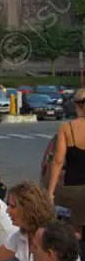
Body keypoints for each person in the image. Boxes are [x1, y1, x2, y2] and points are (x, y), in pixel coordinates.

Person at [47, 88, 85, 233]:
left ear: (76, 105)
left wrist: (50, 192)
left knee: (74, 230)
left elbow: (58, 161)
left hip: (73, 188)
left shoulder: (67, 128)